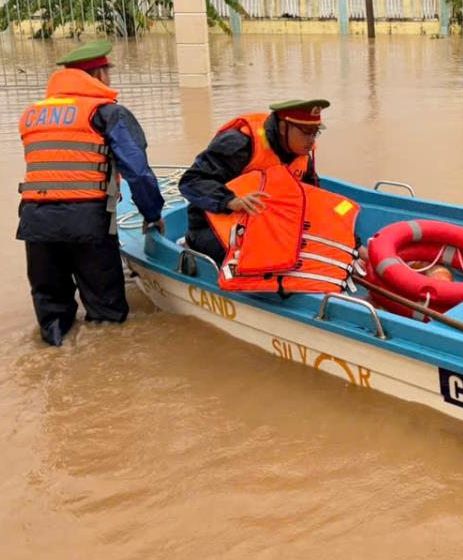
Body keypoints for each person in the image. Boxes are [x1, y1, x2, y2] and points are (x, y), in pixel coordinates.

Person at [17, 39, 166, 346]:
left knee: (52, 310)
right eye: (107, 72)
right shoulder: (107, 113)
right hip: (87, 221)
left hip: (35, 222)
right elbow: (138, 171)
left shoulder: (32, 114)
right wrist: (152, 215)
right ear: (97, 75)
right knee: (106, 313)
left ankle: (56, 353)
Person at [179, 99, 328, 265]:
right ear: (283, 127)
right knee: (265, 258)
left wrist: (354, 244)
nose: (312, 141)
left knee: (312, 247)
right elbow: (191, 181)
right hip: (212, 227)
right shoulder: (239, 144)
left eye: (315, 133)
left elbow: (313, 201)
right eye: (306, 132)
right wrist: (230, 201)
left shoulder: (302, 155)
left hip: (266, 226)